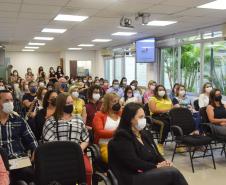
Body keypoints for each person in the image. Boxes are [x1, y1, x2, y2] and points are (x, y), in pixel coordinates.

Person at [108, 102, 188, 185]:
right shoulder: (122, 137)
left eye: (144, 116)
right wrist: (156, 167)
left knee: (170, 172)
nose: (144, 119)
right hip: (132, 177)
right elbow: (133, 163)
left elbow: (156, 154)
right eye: (140, 117)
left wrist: (164, 162)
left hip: (147, 171)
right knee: (173, 173)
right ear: (130, 119)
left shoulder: (145, 134)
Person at [42, 93, 92, 185]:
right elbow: (48, 142)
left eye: (71, 103)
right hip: (58, 155)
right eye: (67, 103)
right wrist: (65, 152)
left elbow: (85, 139)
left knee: (82, 170)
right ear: (60, 105)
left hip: (76, 154)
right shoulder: (51, 121)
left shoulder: (78, 119)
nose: (70, 105)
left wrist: (79, 149)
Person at [0, 90, 38, 184]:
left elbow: (32, 140)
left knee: (29, 175)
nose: (10, 103)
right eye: (6, 101)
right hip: (0, 161)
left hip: (17, 159)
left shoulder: (18, 120)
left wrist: (35, 151)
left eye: (11, 100)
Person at [92, 93, 121, 163]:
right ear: (108, 103)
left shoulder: (120, 113)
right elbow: (100, 132)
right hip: (105, 145)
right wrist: (116, 132)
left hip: (121, 144)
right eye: (114, 101)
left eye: (118, 101)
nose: (117, 104)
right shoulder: (99, 115)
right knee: (116, 160)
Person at [149, 85, 173, 155]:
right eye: (160, 90)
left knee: (177, 122)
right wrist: (166, 110)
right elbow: (153, 110)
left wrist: (168, 111)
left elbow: (172, 108)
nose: (162, 91)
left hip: (168, 116)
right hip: (156, 117)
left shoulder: (168, 99)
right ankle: (160, 144)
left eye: (163, 90)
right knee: (164, 123)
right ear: (156, 91)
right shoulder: (152, 99)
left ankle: (179, 143)